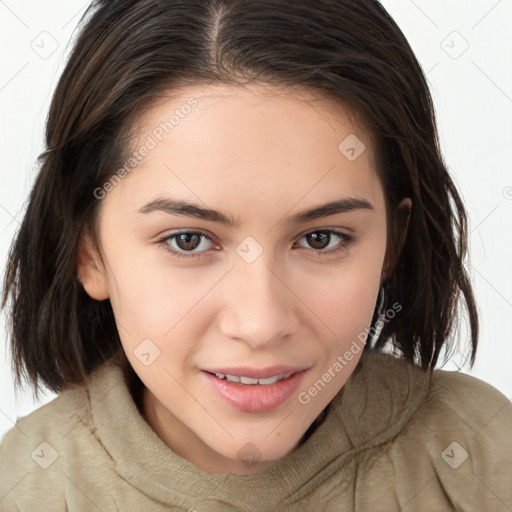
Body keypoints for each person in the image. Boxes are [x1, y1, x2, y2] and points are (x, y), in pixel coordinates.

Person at [1, 0, 511, 510]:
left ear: (391, 244)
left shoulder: (481, 456)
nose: (261, 324)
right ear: (89, 252)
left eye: (320, 238)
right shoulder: (27, 486)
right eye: (188, 240)